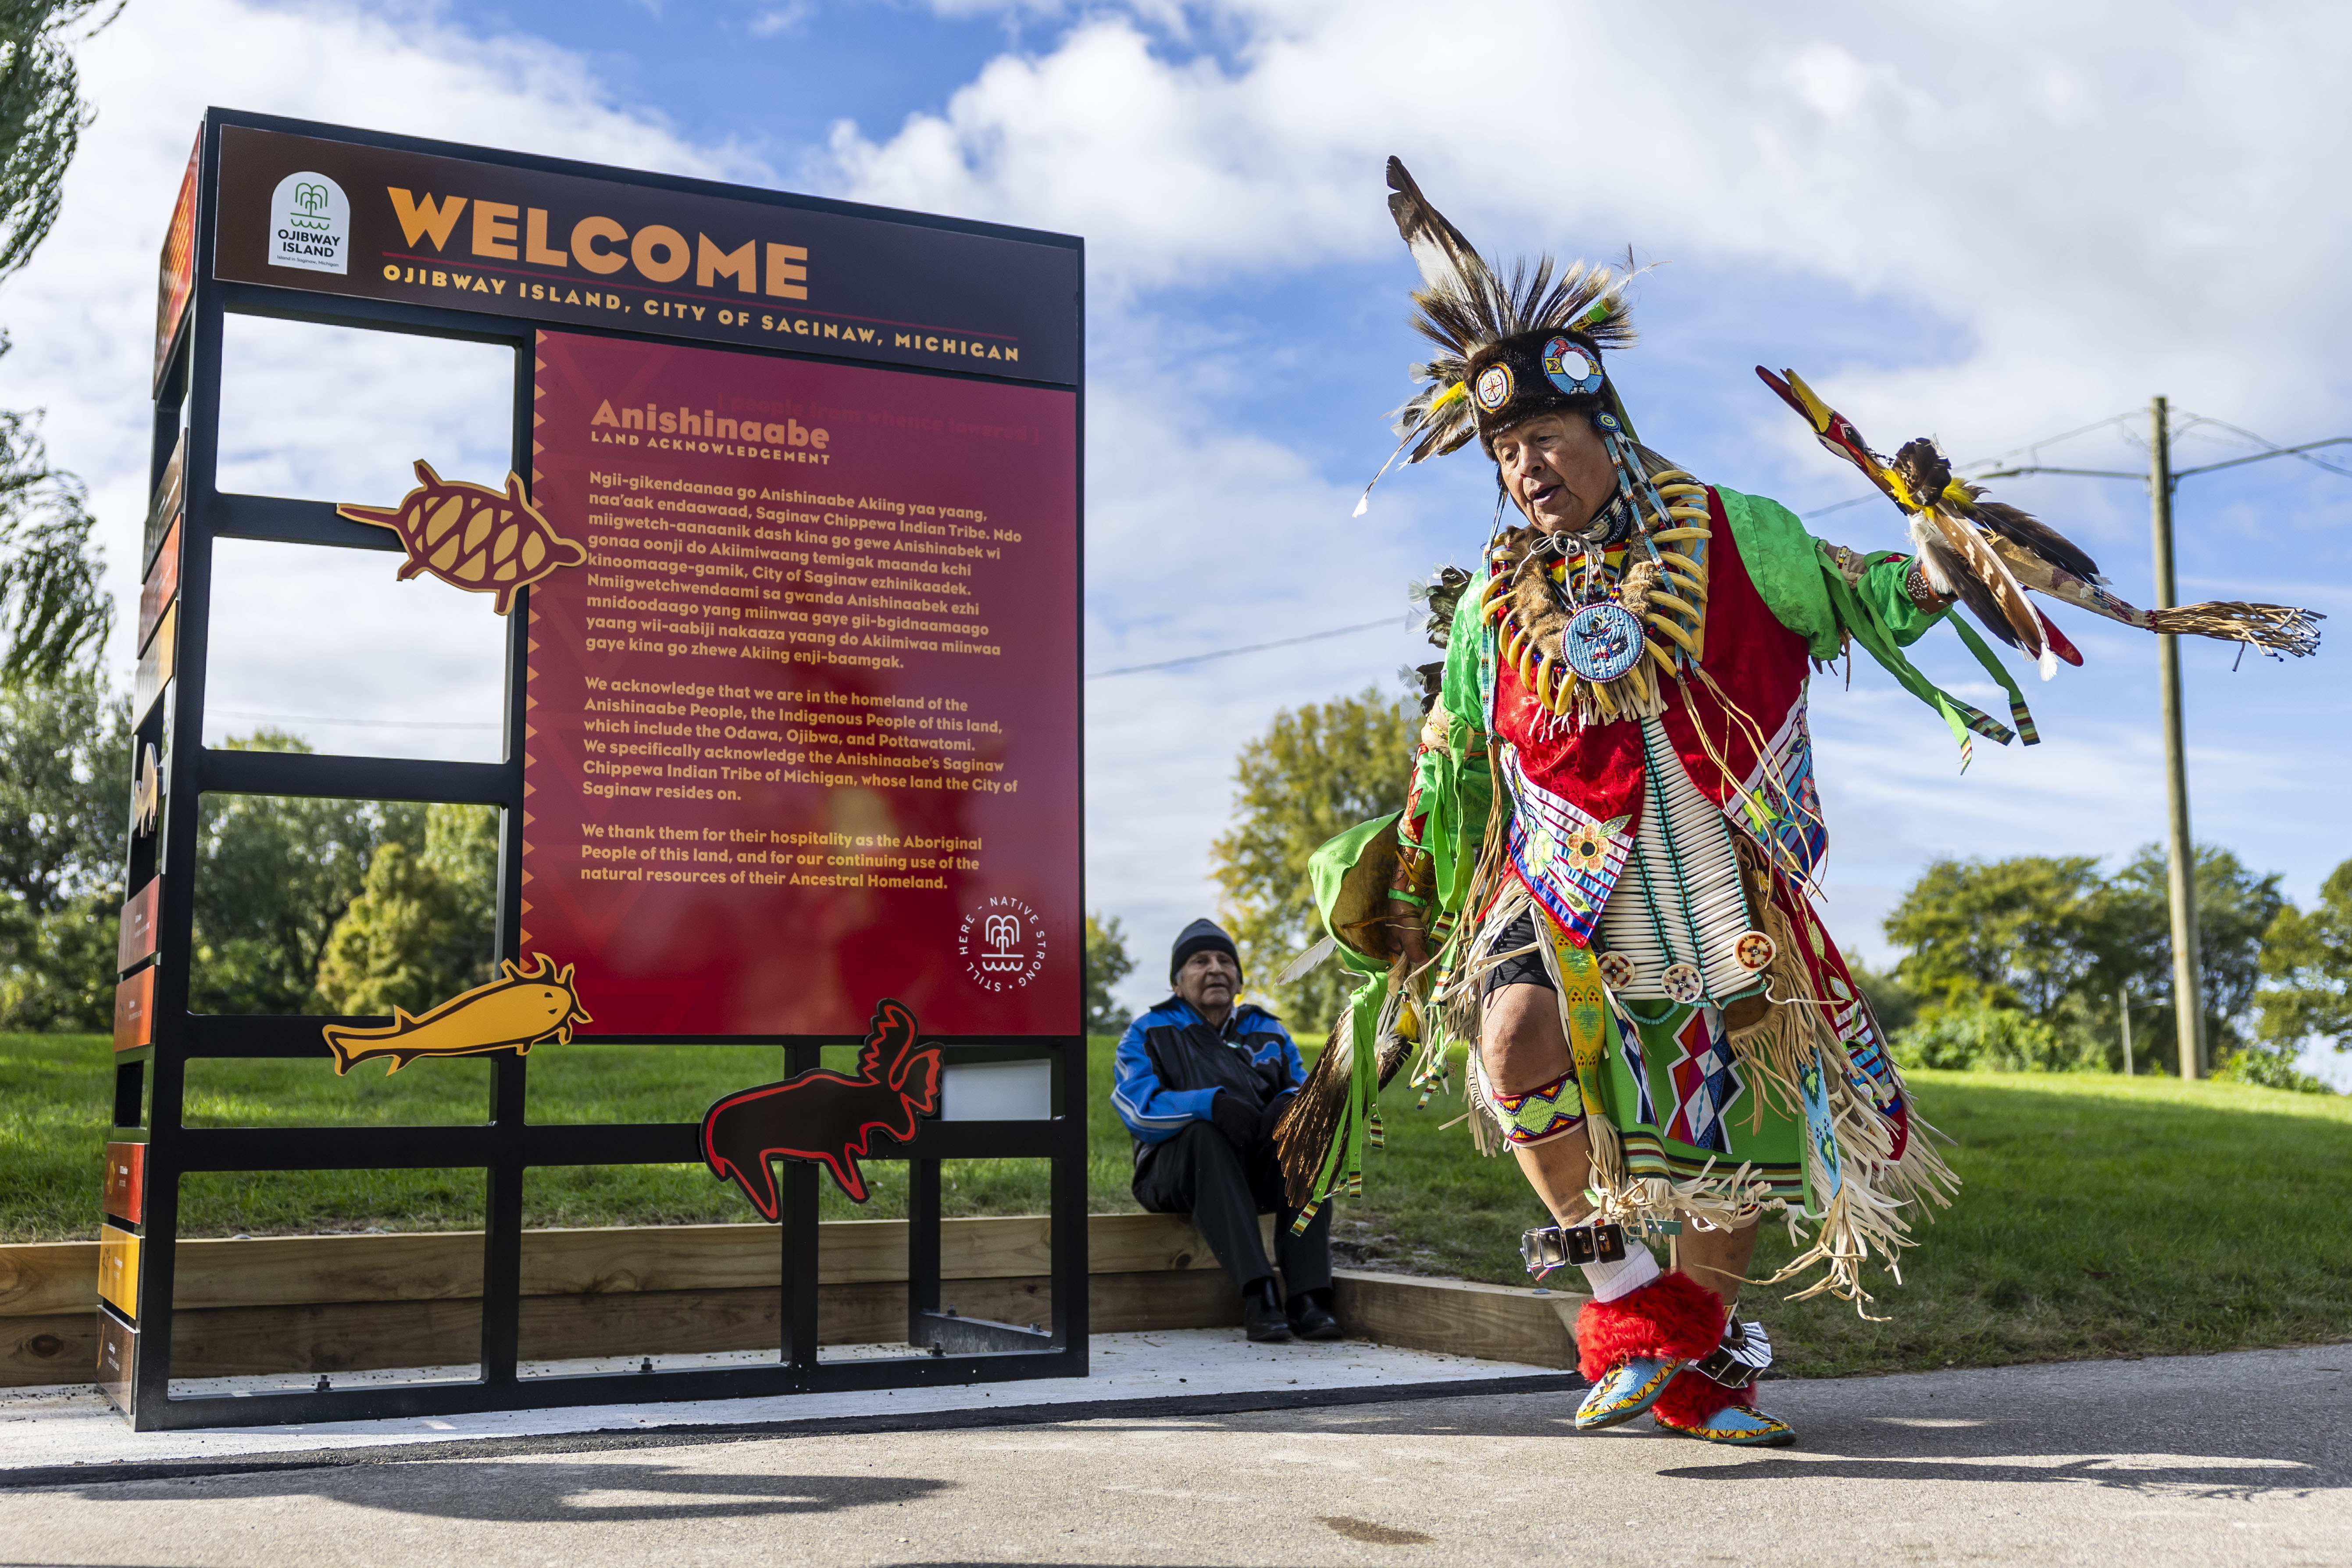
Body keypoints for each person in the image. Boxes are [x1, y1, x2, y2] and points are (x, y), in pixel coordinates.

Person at [1277, 159, 2319, 1448]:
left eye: (1544, 437)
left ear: (1605, 433)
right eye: (1503, 450)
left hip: (1716, 866)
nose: (1524, 466)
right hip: (1556, 876)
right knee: (1509, 1045)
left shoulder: (1735, 533)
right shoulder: (1497, 606)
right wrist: (1409, 885)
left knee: (1729, 1118)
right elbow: (1450, 765)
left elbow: (1871, 594)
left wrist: (1942, 550)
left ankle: (1701, 1368)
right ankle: (1617, 1306)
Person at [1114, 918, 1341, 1343]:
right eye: (1199, 961)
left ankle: (1309, 1298)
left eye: (1224, 960)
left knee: (1310, 1140)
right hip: (1174, 1173)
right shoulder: (1146, 1032)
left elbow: (1307, 1088)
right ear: (1176, 983)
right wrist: (1210, 1105)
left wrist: (1289, 1104)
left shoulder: (1269, 1029)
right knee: (1205, 1135)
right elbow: (1137, 1109)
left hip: (1253, 1169)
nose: (1215, 968)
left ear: (1238, 979)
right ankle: (1259, 1294)